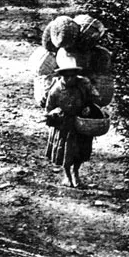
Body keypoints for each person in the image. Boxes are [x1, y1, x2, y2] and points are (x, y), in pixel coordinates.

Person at [45, 58, 100, 188]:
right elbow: (48, 109)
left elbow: (94, 98)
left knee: (81, 151)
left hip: (81, 122)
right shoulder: (56, 90)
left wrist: (88, 106)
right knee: (66, 152)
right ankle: (67, 176)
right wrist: (56, 113)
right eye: (66, 76)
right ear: (61, 76)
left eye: (72, 76)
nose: (70, 79)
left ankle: (76, 174)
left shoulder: (82, 84)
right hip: (64, 125)